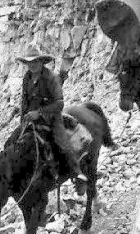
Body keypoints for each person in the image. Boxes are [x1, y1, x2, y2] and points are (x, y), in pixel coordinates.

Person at [17, 44, 88, 184]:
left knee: (62, 144)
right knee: (14, 143)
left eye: (35, 61)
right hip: (31, 120)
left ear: (42, 62)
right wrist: (23, 120)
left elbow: (59, 103)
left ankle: (77, 173)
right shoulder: (27, 78)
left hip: (51, 118)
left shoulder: (51, 78)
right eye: (29, 62)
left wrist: (39, 113)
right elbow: (24, 100)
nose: (32, 65)